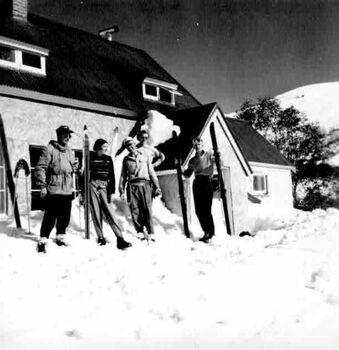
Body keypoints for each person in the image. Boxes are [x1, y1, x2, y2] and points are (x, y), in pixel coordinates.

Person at [80, 138, 131, 250]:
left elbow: (112, 176)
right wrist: (83, 191)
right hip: (92, 185)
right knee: (96, 212)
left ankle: (120, 239)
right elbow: (84, 175)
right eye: (104, 147)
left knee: (110, 213)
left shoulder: (108, 159)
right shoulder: (90, 158)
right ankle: (100, 237)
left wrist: (111, 191)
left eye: (107, 147)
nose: (106, 149)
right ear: (98, 147)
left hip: (104, 186)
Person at [35, 125, 77, 253]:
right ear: (58, 135)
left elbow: (72, 168)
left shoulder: (70, 151)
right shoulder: (49, 149)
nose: (67, 137)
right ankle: (43, 240)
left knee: (65, 216)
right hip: (54, 188)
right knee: (50, 216)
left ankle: (60, 237)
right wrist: (42, 186)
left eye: (69, 135)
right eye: (64, 134)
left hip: (67, 189)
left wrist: (77, 168)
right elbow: (40, 167)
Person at [119, 137, 161, 241]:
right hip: (132, 186)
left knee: (147, 208)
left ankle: (151, 232)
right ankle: (139, 230)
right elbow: (123, 175)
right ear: (126, 148)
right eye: (128, 146)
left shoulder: (145, 156)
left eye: (132, 144)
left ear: (135, 144)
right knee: (135, 209)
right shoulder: (126, 159)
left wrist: (157, 187)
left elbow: (152, 172)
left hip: (145, 184)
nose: (131, 147)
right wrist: (121, 189)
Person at [183, 137, 215, 243]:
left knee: (206, 210)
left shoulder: (209, 155)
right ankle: (206, 232)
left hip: (206, 181)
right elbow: (187, 174)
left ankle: (211, 233)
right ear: (193, 147)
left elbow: (219, 161)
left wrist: (218, 157)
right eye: (195, 145)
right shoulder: (192, 160)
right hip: (197, 183)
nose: (197, 146)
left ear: (202, 145)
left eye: (199, 144)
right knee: (198, 211)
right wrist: (180, 168)